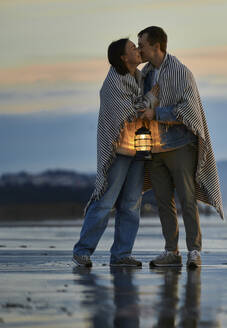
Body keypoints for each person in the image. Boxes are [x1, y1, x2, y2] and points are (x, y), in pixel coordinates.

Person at [137, 26, 224, 269]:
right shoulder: (145, 74)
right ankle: (171, 251)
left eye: (142, 44)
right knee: (163, 201)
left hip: (180, 145)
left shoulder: (181, 72)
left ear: (156, 46)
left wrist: (156, 112)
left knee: (187, 199)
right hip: (154, 148)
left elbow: (188, 110)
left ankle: (194, 251)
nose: (139, 49)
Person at [72, 38, 159, 267]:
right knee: (105, 201)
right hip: (117, 151)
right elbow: (133, 111)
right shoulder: (113, 83)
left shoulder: (139, 79)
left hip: (139, 149)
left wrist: (147, 98)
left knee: (131, 204)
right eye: (133, 48)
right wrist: (150, 98)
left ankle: (121, 255)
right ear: (123, 57)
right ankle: (82, 251)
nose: (138, 50)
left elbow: (140, 109)